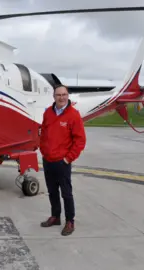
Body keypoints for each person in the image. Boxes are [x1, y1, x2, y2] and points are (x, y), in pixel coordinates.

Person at [39, 84, 86, 236]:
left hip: (62, 162)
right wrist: (43, 151)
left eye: (64, 95)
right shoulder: (48, 113)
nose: (61, 97)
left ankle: (70, 221)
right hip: (48, 160)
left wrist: (68, 159)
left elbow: (80, 141)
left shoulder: (73, 115)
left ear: (68, 96)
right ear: (54, 97)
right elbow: (43, 133)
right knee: (52, 192)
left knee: (66, 193)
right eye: (58, 95)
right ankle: (55, 217)